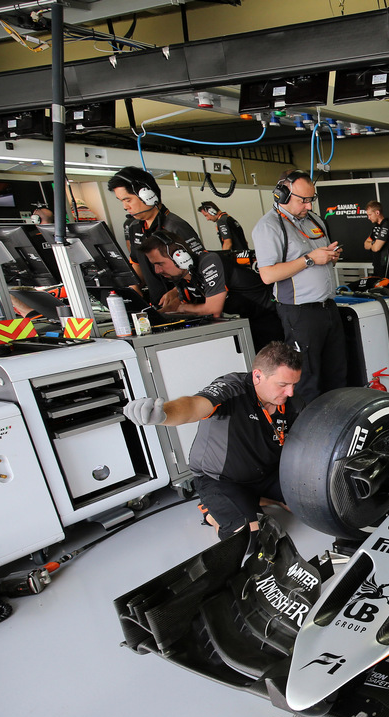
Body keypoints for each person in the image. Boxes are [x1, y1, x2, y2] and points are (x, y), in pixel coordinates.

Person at [123, 342, 302, 539]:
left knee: (311, 505)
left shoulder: (290, 402)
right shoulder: (232, 388)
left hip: (266, 474)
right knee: (250, 540)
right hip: (221, 479)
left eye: (294, 384)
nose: (290, 392)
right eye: (283, 385)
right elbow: (193, 406)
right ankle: (211, 513)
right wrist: (164, 414)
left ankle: (261, 499)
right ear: (258, 375)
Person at [251, 169, 344, 404]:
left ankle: (339, 427)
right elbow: (267, 274)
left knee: (337, 373)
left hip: (328, 308)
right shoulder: (268, 227)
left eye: (311, 200)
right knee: (307, 379)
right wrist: (310, 259)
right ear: (282, 195)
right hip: (300, 313)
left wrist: (330, 256)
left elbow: (319, 257)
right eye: (303, 200)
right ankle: (312, 434)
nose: (309, 206)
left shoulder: (314, 221)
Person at [141, 230, 283, 351]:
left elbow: (212, 309)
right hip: (249, 321)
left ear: (180, 257)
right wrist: (150, 316)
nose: (157, 270)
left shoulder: (210, 262)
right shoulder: (183, 275)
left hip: (273, 316)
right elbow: (177, 303)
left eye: (159, 264)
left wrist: (184, 308)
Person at [107, 166, 207, 304]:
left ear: (148, 195)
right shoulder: (135, 227)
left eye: (128, 200)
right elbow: (137, 262)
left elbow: (202, 267)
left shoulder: (175, 227)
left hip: (189, 305)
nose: (125, 206)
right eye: (122, 201)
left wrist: (177, 292)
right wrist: (134, 287)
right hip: (159, 306)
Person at [363, 201, 389, 280]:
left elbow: (376, 248)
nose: (368, 217)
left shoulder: (386, 225)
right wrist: (373, 243)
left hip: (385, 265)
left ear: (377, 212)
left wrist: (373, 243)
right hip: (376, 264)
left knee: (386, 289)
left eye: (370, 215)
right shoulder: (375, 227)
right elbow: (365, 244)